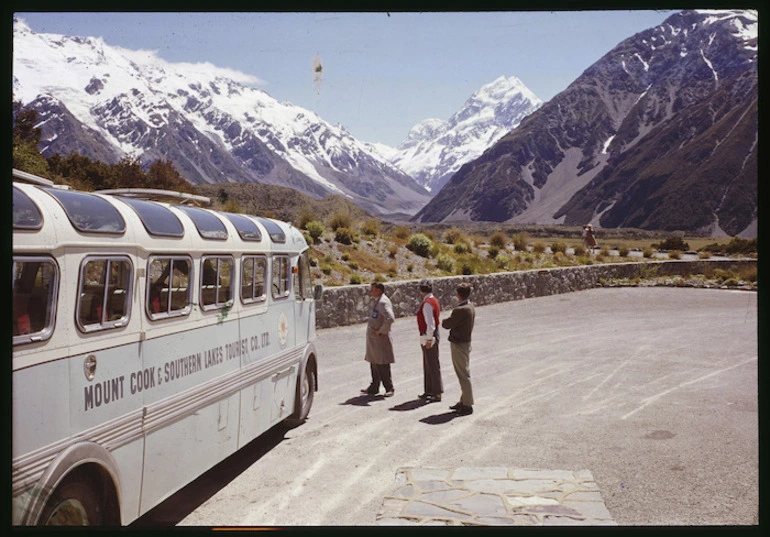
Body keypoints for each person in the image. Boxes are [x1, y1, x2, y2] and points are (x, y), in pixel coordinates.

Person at [441, 283, 475, 416]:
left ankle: (467, 404)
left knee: (463, 374)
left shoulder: (460, 310)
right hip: (465, 343)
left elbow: (447, 324)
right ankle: (464, 400)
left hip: (459, 344)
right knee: (463, 372)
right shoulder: (470, 307)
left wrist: (444, 320)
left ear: (458, 294)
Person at [361, 282, 396, 397]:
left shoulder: (383, 302)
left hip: (380, 339)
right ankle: (374, 386)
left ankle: (389, 388)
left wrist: (381, 331)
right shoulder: (378, 301)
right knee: (374, 362)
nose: (371, 292)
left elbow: (390, 318)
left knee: (382, 363)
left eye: (373, 289)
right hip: (374, 339)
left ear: (379, 290)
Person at [416, 280, 442, 403]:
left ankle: (436, 392)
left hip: (428, 335)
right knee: (429, 363)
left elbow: (430, 324)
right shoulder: (434, 300)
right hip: (431, 334)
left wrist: (428, 339)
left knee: (432, 364)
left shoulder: (427, 303)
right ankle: (430, 390)